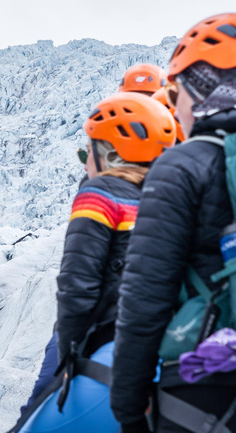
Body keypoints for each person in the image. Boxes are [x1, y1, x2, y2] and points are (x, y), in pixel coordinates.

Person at [111, 13, 236, 433]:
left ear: (196, 86)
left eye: (175, 92)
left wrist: (128, 407)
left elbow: (144, 298)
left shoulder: (183, 164)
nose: (174, 108)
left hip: (206, 386)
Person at [10, 92, 176, 433]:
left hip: (105, 337)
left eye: (87, 152)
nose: (85, 163)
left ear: (111, 154)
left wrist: (69, 354)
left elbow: (77, 285)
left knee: (34, 417)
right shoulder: (170, 197)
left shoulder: (99, 193)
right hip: (160, 343)